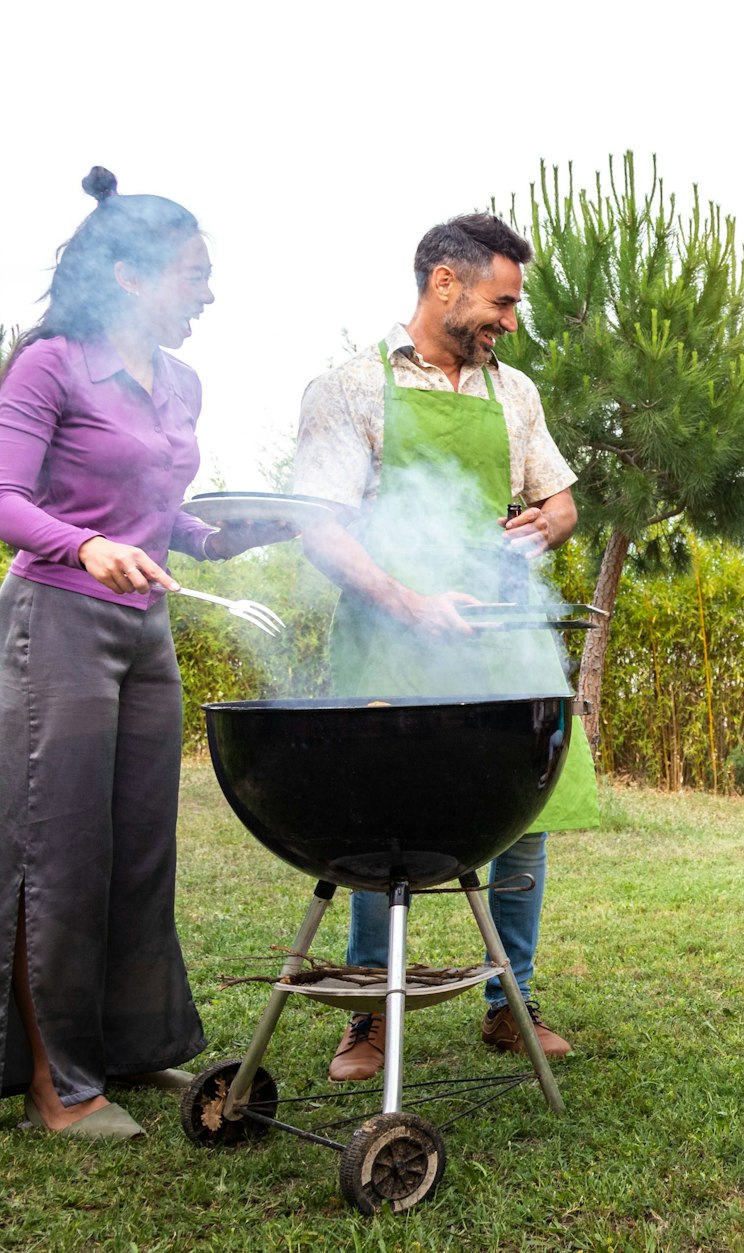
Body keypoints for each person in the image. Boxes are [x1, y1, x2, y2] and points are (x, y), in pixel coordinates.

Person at [292, 213, 600, 1080]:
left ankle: (512, 1004)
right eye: (502, 301)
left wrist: (547, 524)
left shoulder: (515, 393)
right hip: (391, 635)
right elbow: (319, 528)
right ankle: (367, 1019)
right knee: (376, 826)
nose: (510, 320)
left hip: (502, 636)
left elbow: (563, 500)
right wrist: (409, 600)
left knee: (525, 822)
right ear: (444, 284)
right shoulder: (349, 386)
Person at [0, 169, 271, 1138]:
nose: (207, 292)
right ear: (126, 273)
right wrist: (81, 542)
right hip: (60, 620)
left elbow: (155, 515)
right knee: (59, 853)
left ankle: (123, 1046)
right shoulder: (53, 365)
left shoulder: (181, 381)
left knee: (138, 850)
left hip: (144, 629)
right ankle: (57, 1084)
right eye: (193, 274)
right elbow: (7, 497)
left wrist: (218, 535)